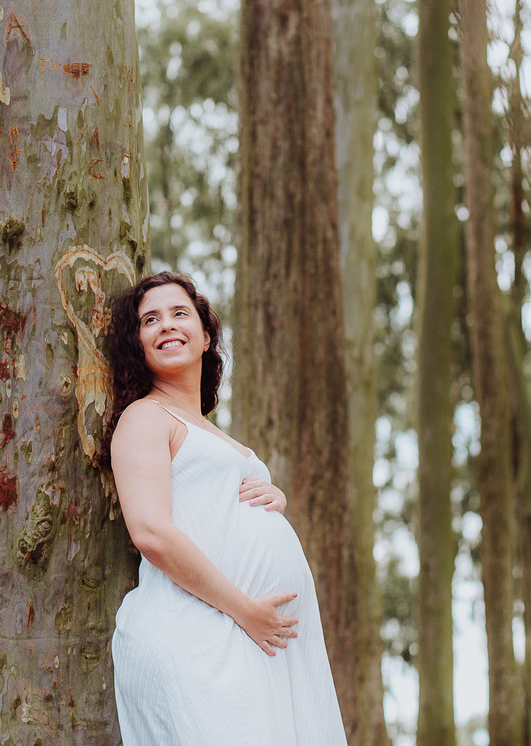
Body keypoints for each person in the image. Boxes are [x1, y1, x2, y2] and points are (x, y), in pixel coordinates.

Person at [103, 271, 348, 745]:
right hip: (200, 636)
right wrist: (245, 611)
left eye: (179, 314)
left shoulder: (210, 431)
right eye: (149, 320)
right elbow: (151, 531)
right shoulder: (144, 417)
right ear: (137, 344)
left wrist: (274, 498)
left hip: (251, 638)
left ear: (206, 333)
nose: (166, 325)